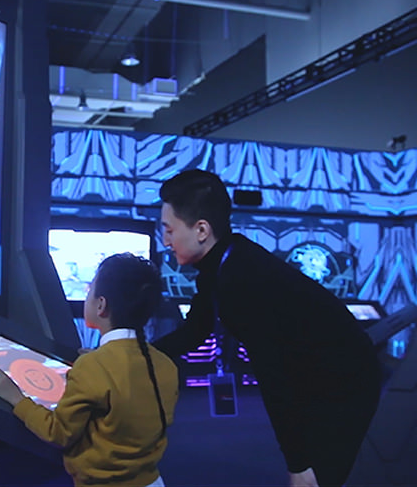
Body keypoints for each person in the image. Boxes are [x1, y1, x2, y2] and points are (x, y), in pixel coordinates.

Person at [152, 169, 381, 487]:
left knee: (318, 479)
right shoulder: (224, 262)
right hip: (318, 377)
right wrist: (133, 352)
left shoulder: (240, 277)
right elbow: (195, 332)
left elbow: (274, 374)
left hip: (341, 385)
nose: (165, 241)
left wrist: (298, 463)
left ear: (201, 230)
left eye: (169, 230)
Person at [0, 253, 179, 487]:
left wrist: (16, 399)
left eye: (90, 290)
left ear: (101, 305)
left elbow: (58, 433)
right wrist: (98, 361)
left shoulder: (93, 367)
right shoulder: (166, 365)